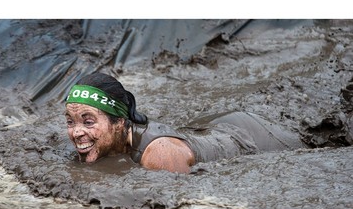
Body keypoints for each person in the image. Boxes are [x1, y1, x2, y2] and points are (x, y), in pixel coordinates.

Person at [65, 72, 306, 173]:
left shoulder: (160, 155)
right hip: (209, 126)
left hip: (251, 134)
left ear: (119, 123)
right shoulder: (102, 142)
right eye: (70, 121)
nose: (76, 133)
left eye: (88, 122)